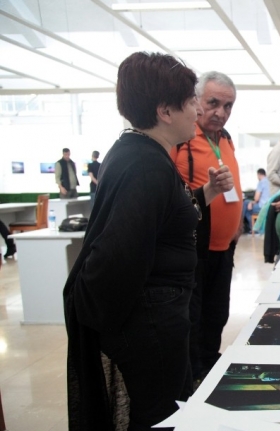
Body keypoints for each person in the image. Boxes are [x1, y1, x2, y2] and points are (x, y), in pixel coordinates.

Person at [63, 52, 234, 430]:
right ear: (165, 111)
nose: (197, 111)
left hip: (158, 321)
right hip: (149, 330)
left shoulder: (144, 155)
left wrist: (203, 195)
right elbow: (117, 259)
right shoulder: (144, 165)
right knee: (157, 416)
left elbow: (162, 219)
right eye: (192, 101)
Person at [170, 71, 244, 383]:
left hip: (225, 248)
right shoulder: (182, 139)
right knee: (194, 318)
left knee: (218, 313)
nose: (221, 113)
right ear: (196, 100)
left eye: (228, 106)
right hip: (194, 249)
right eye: (213, 103)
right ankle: (194, 376)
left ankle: (210, 367)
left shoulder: (225, 139)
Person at [243, 168, 269, 233]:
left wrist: (251, 202)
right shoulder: (269, 181)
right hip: (269, 206)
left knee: (245, 204)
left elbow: (256, 199)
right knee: (248, 206)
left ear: (259, 174)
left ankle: (252, 228)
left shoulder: (261, 182)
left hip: (261, 207)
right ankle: (254, 228)